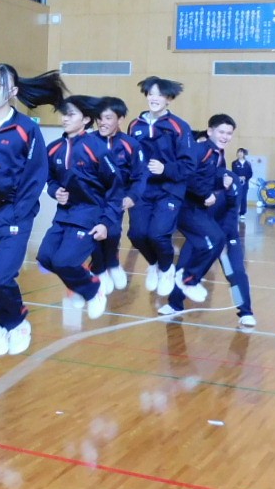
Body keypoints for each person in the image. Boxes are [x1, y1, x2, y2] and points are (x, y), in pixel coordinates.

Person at [0, 63, 61, 357]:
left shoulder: (26, 128)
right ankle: (2, 324)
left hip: (12, 214)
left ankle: (17, 323)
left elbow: (36, 173)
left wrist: (20, 212)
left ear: (13, 91)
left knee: (0, 278)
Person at [165, 118, 255, 328]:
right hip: (203, 231)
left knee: (236, 272)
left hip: (225, 233)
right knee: (184, 266)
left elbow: (232, 212)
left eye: (228, 133)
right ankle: (174, 304)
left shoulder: (228, 177)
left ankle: (246, 312)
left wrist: (221, 238)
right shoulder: (195, 180)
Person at [37, 95, 118, 322]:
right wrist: (55, 191)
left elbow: (116, 188)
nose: (65, 118)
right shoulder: (53, 149)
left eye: (71, 114)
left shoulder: (97, 148)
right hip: (64, 214)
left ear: (86, 119)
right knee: (45, 258)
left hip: (89, 215)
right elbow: (49, 179)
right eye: (64, 114)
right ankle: (84, 286)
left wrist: (106, 223)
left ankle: (93, 290)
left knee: (65, 262)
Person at [127, 76, 195, 296]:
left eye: (160, 94)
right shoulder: (134, 125)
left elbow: (189, 165)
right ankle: (154, 264)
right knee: (137, 235)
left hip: (169, 190)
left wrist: (165, 168)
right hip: (142, 191)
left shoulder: (179, 127)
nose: (154, 98)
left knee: (157, 235)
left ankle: (166, 269)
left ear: (169, 99)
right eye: (151, 94)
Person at [89, 97, 137, 291]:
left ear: (120, 119)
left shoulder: (130, 144)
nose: (102, 122)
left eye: (108, 118)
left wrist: (132, 196)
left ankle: (112, 263)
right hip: (91, 199)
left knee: (112, 232)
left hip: (116, 198)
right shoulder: (88, 142)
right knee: (93, 234)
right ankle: (99, 270)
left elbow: (140, 175)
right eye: (99, 118)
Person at [231, 148, 253, 217]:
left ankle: (242, 213)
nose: (239, 154)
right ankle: (234, 212)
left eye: (241, 152)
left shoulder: (248, 163)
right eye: (238, 152)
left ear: (244, 154)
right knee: (236, 197)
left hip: (245, 184)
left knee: (243, 198)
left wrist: (245, 177)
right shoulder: (234, 163)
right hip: (237, 183)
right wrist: (238, 177)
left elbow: (250, 173)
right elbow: (233, 172)